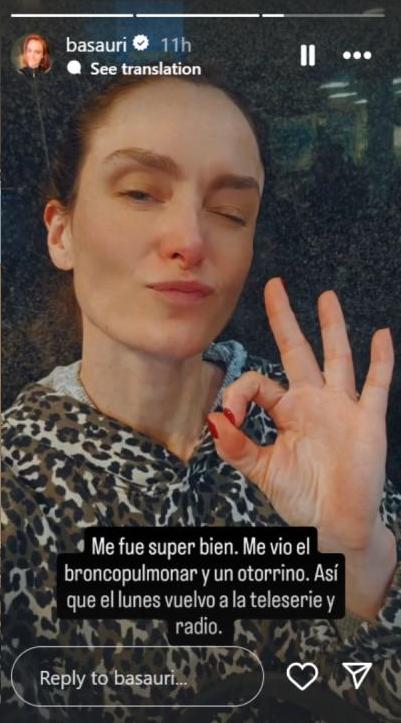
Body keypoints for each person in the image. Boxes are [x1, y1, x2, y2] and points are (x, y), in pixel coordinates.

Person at [2, 74, 400, 723]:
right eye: (139, 192)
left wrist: (362, 562)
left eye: (230, 212)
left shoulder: (310, 433)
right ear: (60, 232)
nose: (189, 239)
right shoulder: (15, 479)